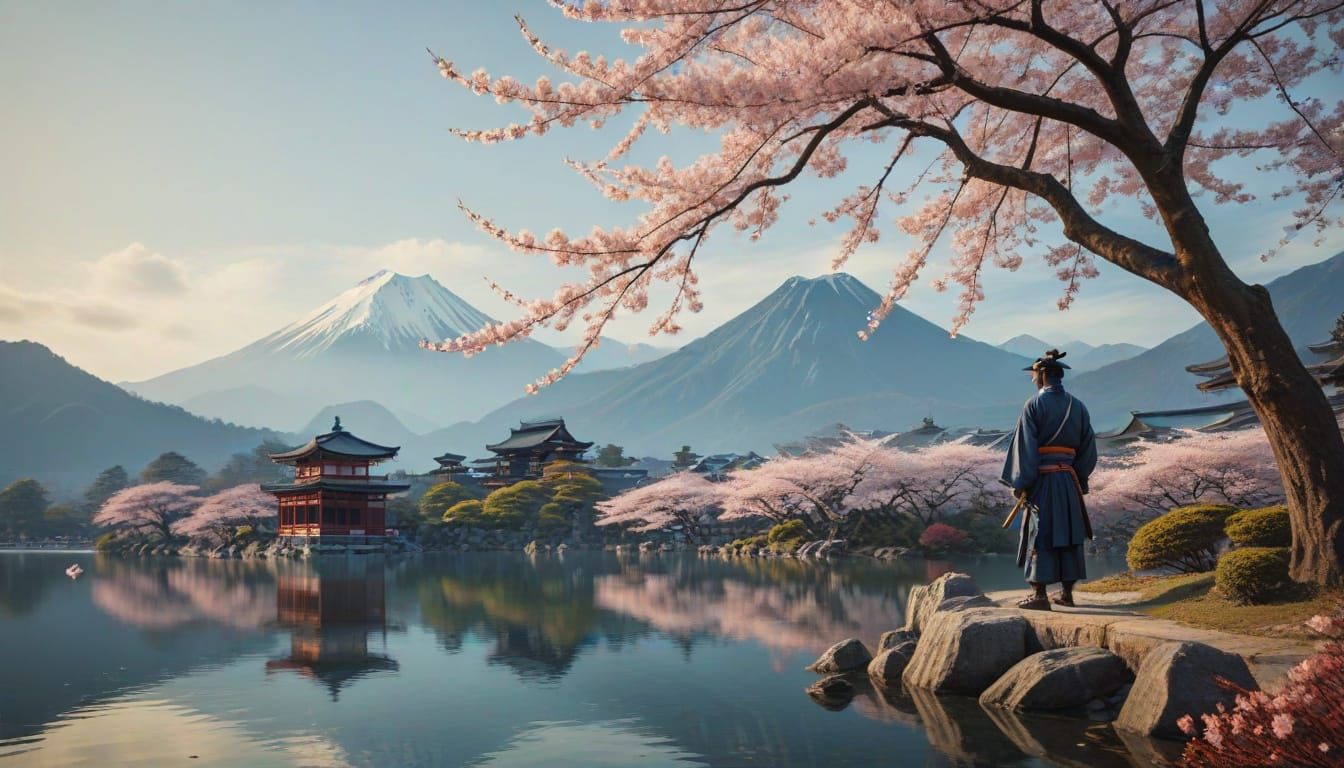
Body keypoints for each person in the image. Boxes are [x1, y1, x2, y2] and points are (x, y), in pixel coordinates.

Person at [1001, 349, 1098, 610]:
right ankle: (1067, 593)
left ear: (1043, 375)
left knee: (1039, 531)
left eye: (1034, 375)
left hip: (1043, 480)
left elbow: (1026, 447)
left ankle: (1040, 595)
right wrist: (1079, 476)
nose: (1033, 380)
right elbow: (1088, 447)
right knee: (1069, 531)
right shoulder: (1078, 406)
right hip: (1068, 481)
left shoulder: (1034, 404)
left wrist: (1021, 482)